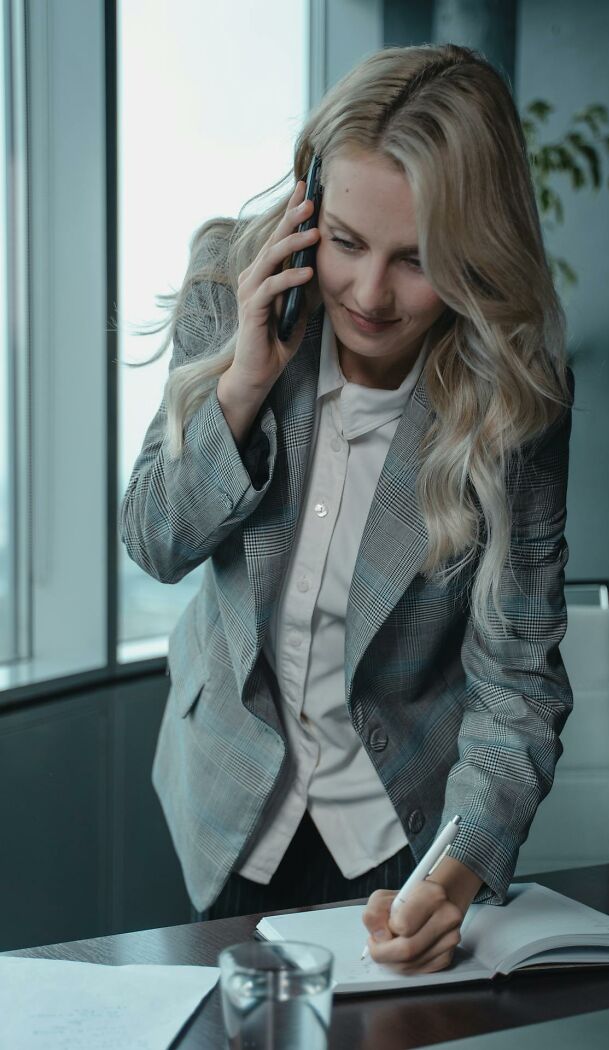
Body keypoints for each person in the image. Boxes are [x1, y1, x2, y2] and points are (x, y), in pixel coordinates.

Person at [120, 41, 574, 977]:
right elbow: (154, 541)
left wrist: (455, 873)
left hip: (400, 831)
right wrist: (243, 383)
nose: (370, 295)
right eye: (348, 244)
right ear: (307, 206)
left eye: (419, 261)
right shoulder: (227, 288)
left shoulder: (517, 390)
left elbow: (518, 678)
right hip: (226, 806)